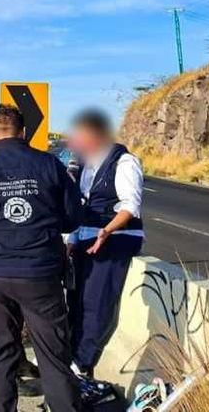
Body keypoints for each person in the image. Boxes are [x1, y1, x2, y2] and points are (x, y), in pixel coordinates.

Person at [0, 104, 81, 412]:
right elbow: (73, 219)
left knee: (1, 352)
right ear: (23, 132)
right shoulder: (49, 165)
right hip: (41, 274)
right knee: (52, 356)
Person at [65, 109, 144, 379]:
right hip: (86, 238)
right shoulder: (87, 164)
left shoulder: (124, 162)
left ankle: (82, 364)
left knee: (96, 302)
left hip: (116, 239)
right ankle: (71, 358)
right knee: (75, 300)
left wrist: (107, 230)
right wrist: (72, 240)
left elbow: (130, 207)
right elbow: (79, 206)